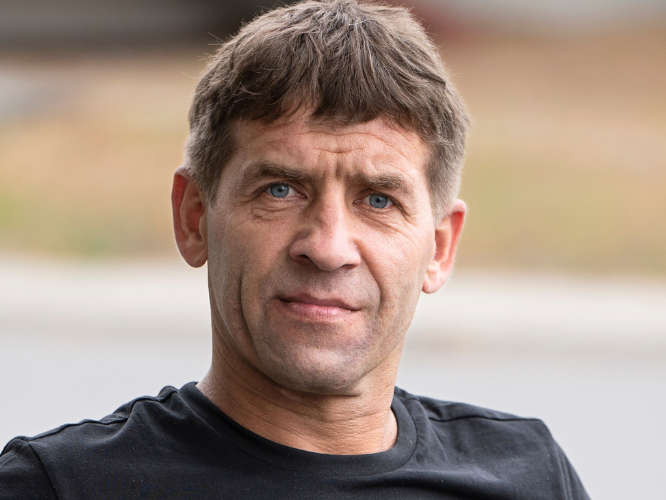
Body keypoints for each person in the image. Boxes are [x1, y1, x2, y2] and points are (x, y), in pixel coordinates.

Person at [0, 0, 589, 498]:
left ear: (440, 247)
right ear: (194, 217)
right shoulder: (61, 486)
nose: (328, 248)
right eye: (280, 190)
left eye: (378, 200)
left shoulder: (529, 473)